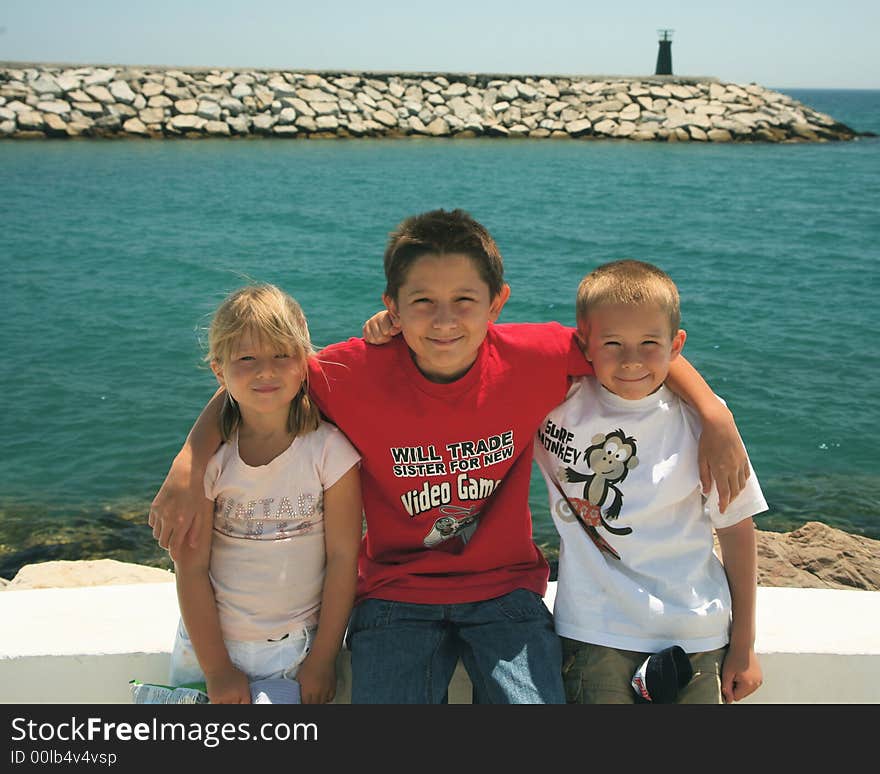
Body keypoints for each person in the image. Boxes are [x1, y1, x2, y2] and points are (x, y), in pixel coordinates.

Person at [151, 209, 749, 704]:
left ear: (497, 303)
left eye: (464, 300)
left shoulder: (534, 357)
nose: (443, 320)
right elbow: (261, 377)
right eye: (422, 302)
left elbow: (636, 344)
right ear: (392, 304)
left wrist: (714, 415)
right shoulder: (350, 371)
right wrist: (188, 462)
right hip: (394, 593)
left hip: (506, 592)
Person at [533, 259, 766, 704]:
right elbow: (472, 353)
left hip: (696, 632)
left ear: (677, 344)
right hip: (594, 630)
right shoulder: (555, 403)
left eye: (649, 344)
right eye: (613, 343)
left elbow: (737, 532)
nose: (631, 360)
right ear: (584, 343)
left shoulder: (705, 426)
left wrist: (744, 645)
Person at [170, 284, 362, 704]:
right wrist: (217, 668)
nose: (266, 371)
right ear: (219, 371)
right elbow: (191, 568)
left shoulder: (331, 452)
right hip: (213, 650)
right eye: (246, 359)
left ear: (304, 363)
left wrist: (323, 658)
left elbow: (345, 556)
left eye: (281, 355)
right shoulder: (212, 463)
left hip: (301, 650)